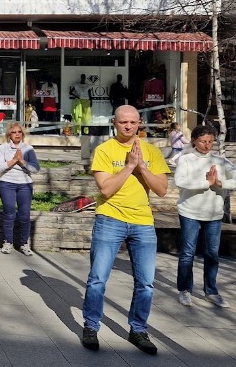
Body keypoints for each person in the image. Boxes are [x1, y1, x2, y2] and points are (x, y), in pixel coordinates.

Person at [81, 105, 169, 355]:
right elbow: (106, 190)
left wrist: (142, 167)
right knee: (98, 279)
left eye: (133, 122)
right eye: (123, 122)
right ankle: (91, 326)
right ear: (114, 123)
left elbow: (162, 190)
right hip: (110, 219)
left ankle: (138, 329)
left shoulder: (151, 151)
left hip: (143, 222)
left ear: (140, 123)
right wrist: (130, 166)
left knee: (146, 283)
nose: (128, 126)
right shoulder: (104, 150)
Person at [174, 124, 236, 308]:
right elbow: (180, 181)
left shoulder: (221, 161)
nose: (207, 145)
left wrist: (219, 182)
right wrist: (206, 182)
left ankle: (211, 290)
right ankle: (184, 290)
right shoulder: (186, 159)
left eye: (210, 141)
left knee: (212, 253)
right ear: (194, 140)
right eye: (202, 141)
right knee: (187, 252)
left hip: (214, 214)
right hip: (189, 212)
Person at [0, 121, 40, 256]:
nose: (17, 134)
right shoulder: (3, 148)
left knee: (24, 215)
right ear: (9, 134)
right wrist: (14, 161)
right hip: (7, 183)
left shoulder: (29, 148)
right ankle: (7, 242)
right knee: (9, 213)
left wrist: (22, 161)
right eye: (14, 132)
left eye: (19, 132)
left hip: (25, 185)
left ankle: (24, 244)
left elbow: (36, 168)